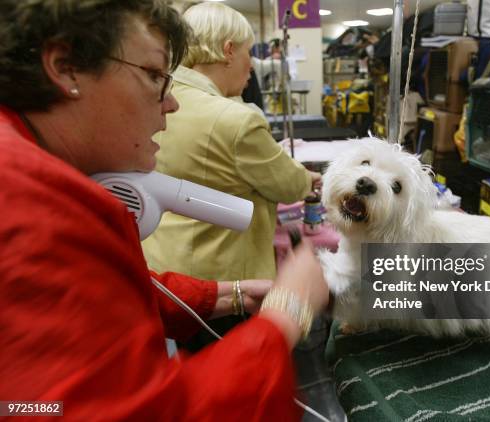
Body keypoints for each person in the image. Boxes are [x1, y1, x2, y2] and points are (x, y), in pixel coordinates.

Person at [0, 1, 328, 420]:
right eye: (154, 76)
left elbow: (99, 295)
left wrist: (227, 295)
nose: (170, 104)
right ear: (66, 68)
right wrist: (287, 314)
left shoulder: (32, 172)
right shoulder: (28, 202)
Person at [142, 2, 321, 282]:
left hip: (160, 264)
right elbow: (288, 185)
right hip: (220, 276)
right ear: (228, 51)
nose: (251, 65)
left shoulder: (158, 97)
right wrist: (308, 178)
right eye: (248, 52)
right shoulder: (236, 120)